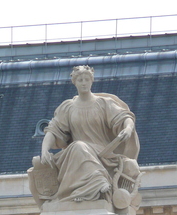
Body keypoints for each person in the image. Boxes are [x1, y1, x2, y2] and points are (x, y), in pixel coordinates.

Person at [39, 65, 140, 203]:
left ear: (91, 81)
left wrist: (128, 129)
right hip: (75, 153)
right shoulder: (68, 107)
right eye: (80, 80)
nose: (84, 82)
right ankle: (95, 184)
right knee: (78, 146)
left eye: (86, 79)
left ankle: (90, 187)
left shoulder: (104, 103)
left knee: (79, 147)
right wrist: (44, 150)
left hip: (103, 153)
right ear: (75, 82)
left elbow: (125, 117)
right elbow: (53, 131)